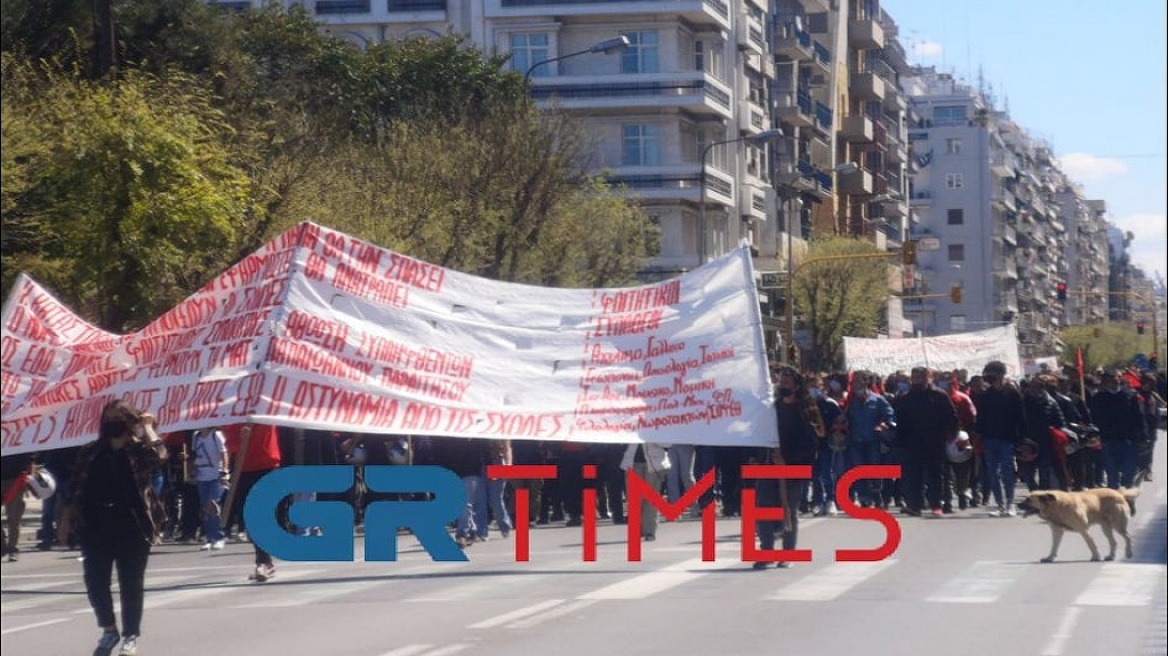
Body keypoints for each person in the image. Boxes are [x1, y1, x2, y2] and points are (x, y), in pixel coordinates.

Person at [59, 400, 167, 656]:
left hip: (132, 525)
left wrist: (148, 427)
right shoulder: (90, 451)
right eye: (108, 418)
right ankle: (109, 629)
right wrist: (65, 518)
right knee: (95, 582)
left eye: (119, 417)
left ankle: (130, 635)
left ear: (130, 421)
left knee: (131, 582)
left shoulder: (138, 451)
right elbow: (75, 487)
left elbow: (159, 456)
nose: (112, 423)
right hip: (96, 524)